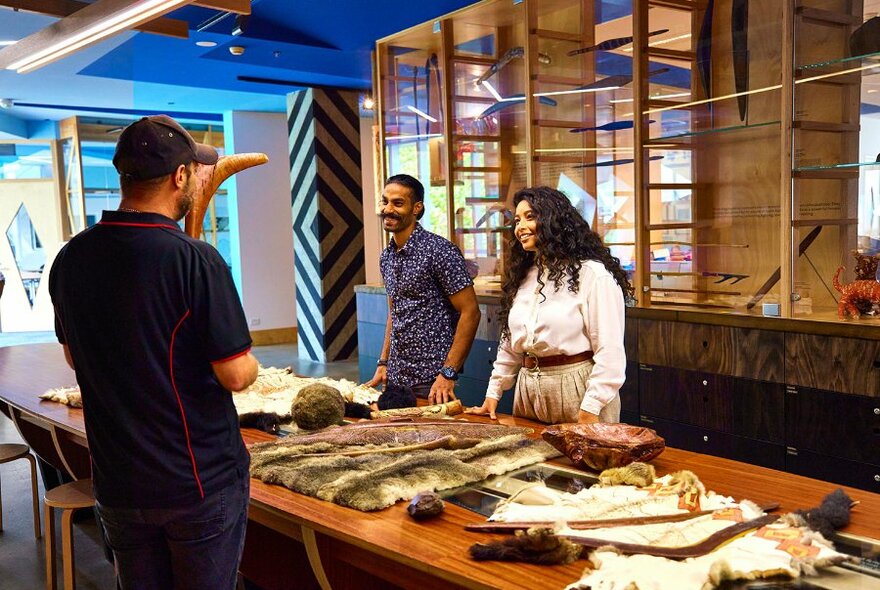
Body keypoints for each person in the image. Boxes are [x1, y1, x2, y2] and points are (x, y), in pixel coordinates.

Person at [48, 115, 259, 590]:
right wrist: (250, 362)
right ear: (180, 176)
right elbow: (235, 374)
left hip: (118, 482)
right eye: (194, 171)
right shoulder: (195, 259)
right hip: (196, 482)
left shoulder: (71, 257)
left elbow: (75, 359)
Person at [466, 186, 632, 424]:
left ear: (553, 219)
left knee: (579, 461)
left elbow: (610, 351)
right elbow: (510, 343)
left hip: (578, 387)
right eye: (517, 221)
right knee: (530, 460)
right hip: (528, 387)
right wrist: (493, 393)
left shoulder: (593, 274)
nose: (520, 227)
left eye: (530, 217)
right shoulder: (524, 275)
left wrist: (591, 406)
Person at [365, 174, 480, 403]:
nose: (388, 209)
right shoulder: (387, 256)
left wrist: (448, 373)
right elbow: (394, 313)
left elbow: (471, 312)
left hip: (432, 379)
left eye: (398, 203)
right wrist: (384, 361)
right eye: (385, 201)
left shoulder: (439, 251)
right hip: (396, 377)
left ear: (417, 208)